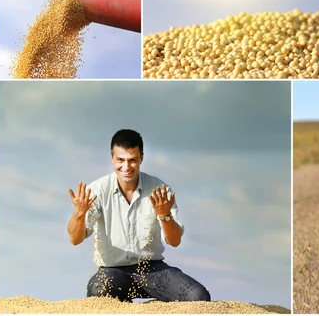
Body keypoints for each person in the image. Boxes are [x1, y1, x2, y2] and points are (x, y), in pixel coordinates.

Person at [68, 129, 211, 303]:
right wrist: (79, 213)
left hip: (153, 270)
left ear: (141, 158)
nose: (126, 167)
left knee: (198, 297)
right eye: (120, 160)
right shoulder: (97, 191)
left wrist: (165, 216)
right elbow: (75, 239)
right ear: (112, 158)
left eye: (132, 160)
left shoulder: (160, 190)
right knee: (98, 289)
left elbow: (174, 241)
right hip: (114, 272)